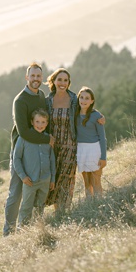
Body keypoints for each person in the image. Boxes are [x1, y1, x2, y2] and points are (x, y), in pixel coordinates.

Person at [3, 62, 51, 236]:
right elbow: (23, 132)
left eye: (39, 76)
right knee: (16, 192)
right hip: (21, 152)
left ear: (42, 78)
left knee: (35, 191)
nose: (36, 79)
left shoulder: (41, 96)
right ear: (27, 77)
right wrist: (47, 139)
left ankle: (30, 229)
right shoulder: (20, 100)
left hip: (38, 152)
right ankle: (8, 232)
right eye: (33, 76)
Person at [13, 109, 56, 229]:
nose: (40, 125)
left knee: (40, 205)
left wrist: (52, 178)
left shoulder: (48, 139)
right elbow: (16, 158)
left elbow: (52, 160)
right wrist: (23, 176)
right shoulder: (23, 138)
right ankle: (22, 230)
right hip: (29, 180)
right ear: (32, 122)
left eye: (43, 122)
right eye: (37, 121)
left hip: (45, 180)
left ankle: (38, 229)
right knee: (26, 206)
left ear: (47, 123)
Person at [43, 68, 77, 212]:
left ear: (69, 83)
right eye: (60, 80)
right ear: (54, 81)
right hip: (53, 144)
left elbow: (87, 109)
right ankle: (56, 210)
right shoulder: (48, 101)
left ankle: (64, 211)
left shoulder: (74, 99)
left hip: (70, 144)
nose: (62, 83)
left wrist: (98, 116)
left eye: (66, 80)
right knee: (54, 176)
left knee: (67, 177)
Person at [75, 87, 107, 199]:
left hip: (94, 149)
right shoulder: (75, 114)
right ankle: (89, 204)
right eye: (81, 97)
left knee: (96, 180)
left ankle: (99, 203)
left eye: (87, 98)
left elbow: (102, 138)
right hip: (81, 149)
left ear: (92, 101)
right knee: (86, 181)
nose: (83, 100)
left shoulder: (96, 116)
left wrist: (103, 157)